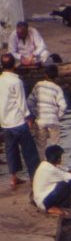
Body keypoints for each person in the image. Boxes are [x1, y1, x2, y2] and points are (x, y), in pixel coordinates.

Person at [0, 52, 40, 187]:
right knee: (29, 150)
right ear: (14, 65)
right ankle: (35, 177)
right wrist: (28, 118)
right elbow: (21, 103)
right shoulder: (16, 82)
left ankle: (13, 177)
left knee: (10, 149)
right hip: (17, 121)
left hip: (5, 122)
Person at [27, 64, 68, 159]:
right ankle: (55, 164)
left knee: (41, 145)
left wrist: (36, 113)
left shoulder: (38, 85)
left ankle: (42, 163)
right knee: (55, 145)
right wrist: (58, 116)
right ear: (56, 76)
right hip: (53, 119)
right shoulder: (57, 89)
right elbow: (63, 106)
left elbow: (29, 102)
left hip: (41, 120)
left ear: (45, 75)